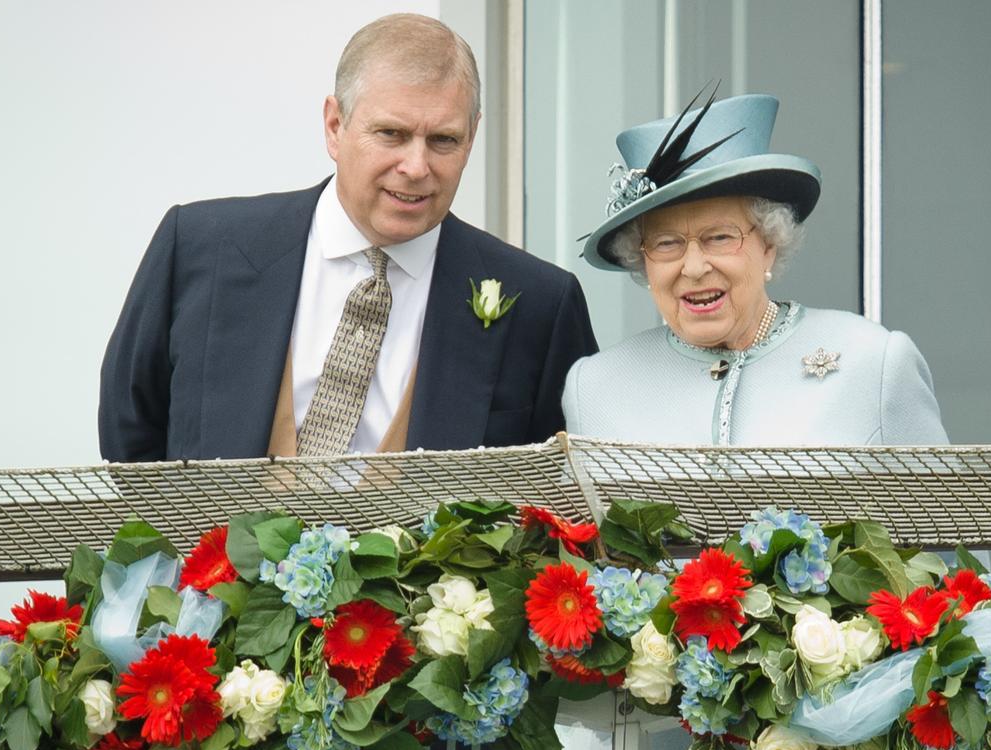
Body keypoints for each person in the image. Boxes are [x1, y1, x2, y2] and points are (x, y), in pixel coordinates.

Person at [99, 13, 596, 462]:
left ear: (472, 135)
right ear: (335, 126)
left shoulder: (542, 305)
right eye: (392, 134)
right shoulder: (199, 246)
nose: (417, 167)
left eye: (444, 140)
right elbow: (130, 432)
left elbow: (559, 490)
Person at [564, 90, 947, 445]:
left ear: (768, 244)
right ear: (642, 261)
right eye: (667, 244)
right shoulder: (595, 388)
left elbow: (943, 518)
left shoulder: (873, 362)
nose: (694, 268)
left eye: (720, 237)